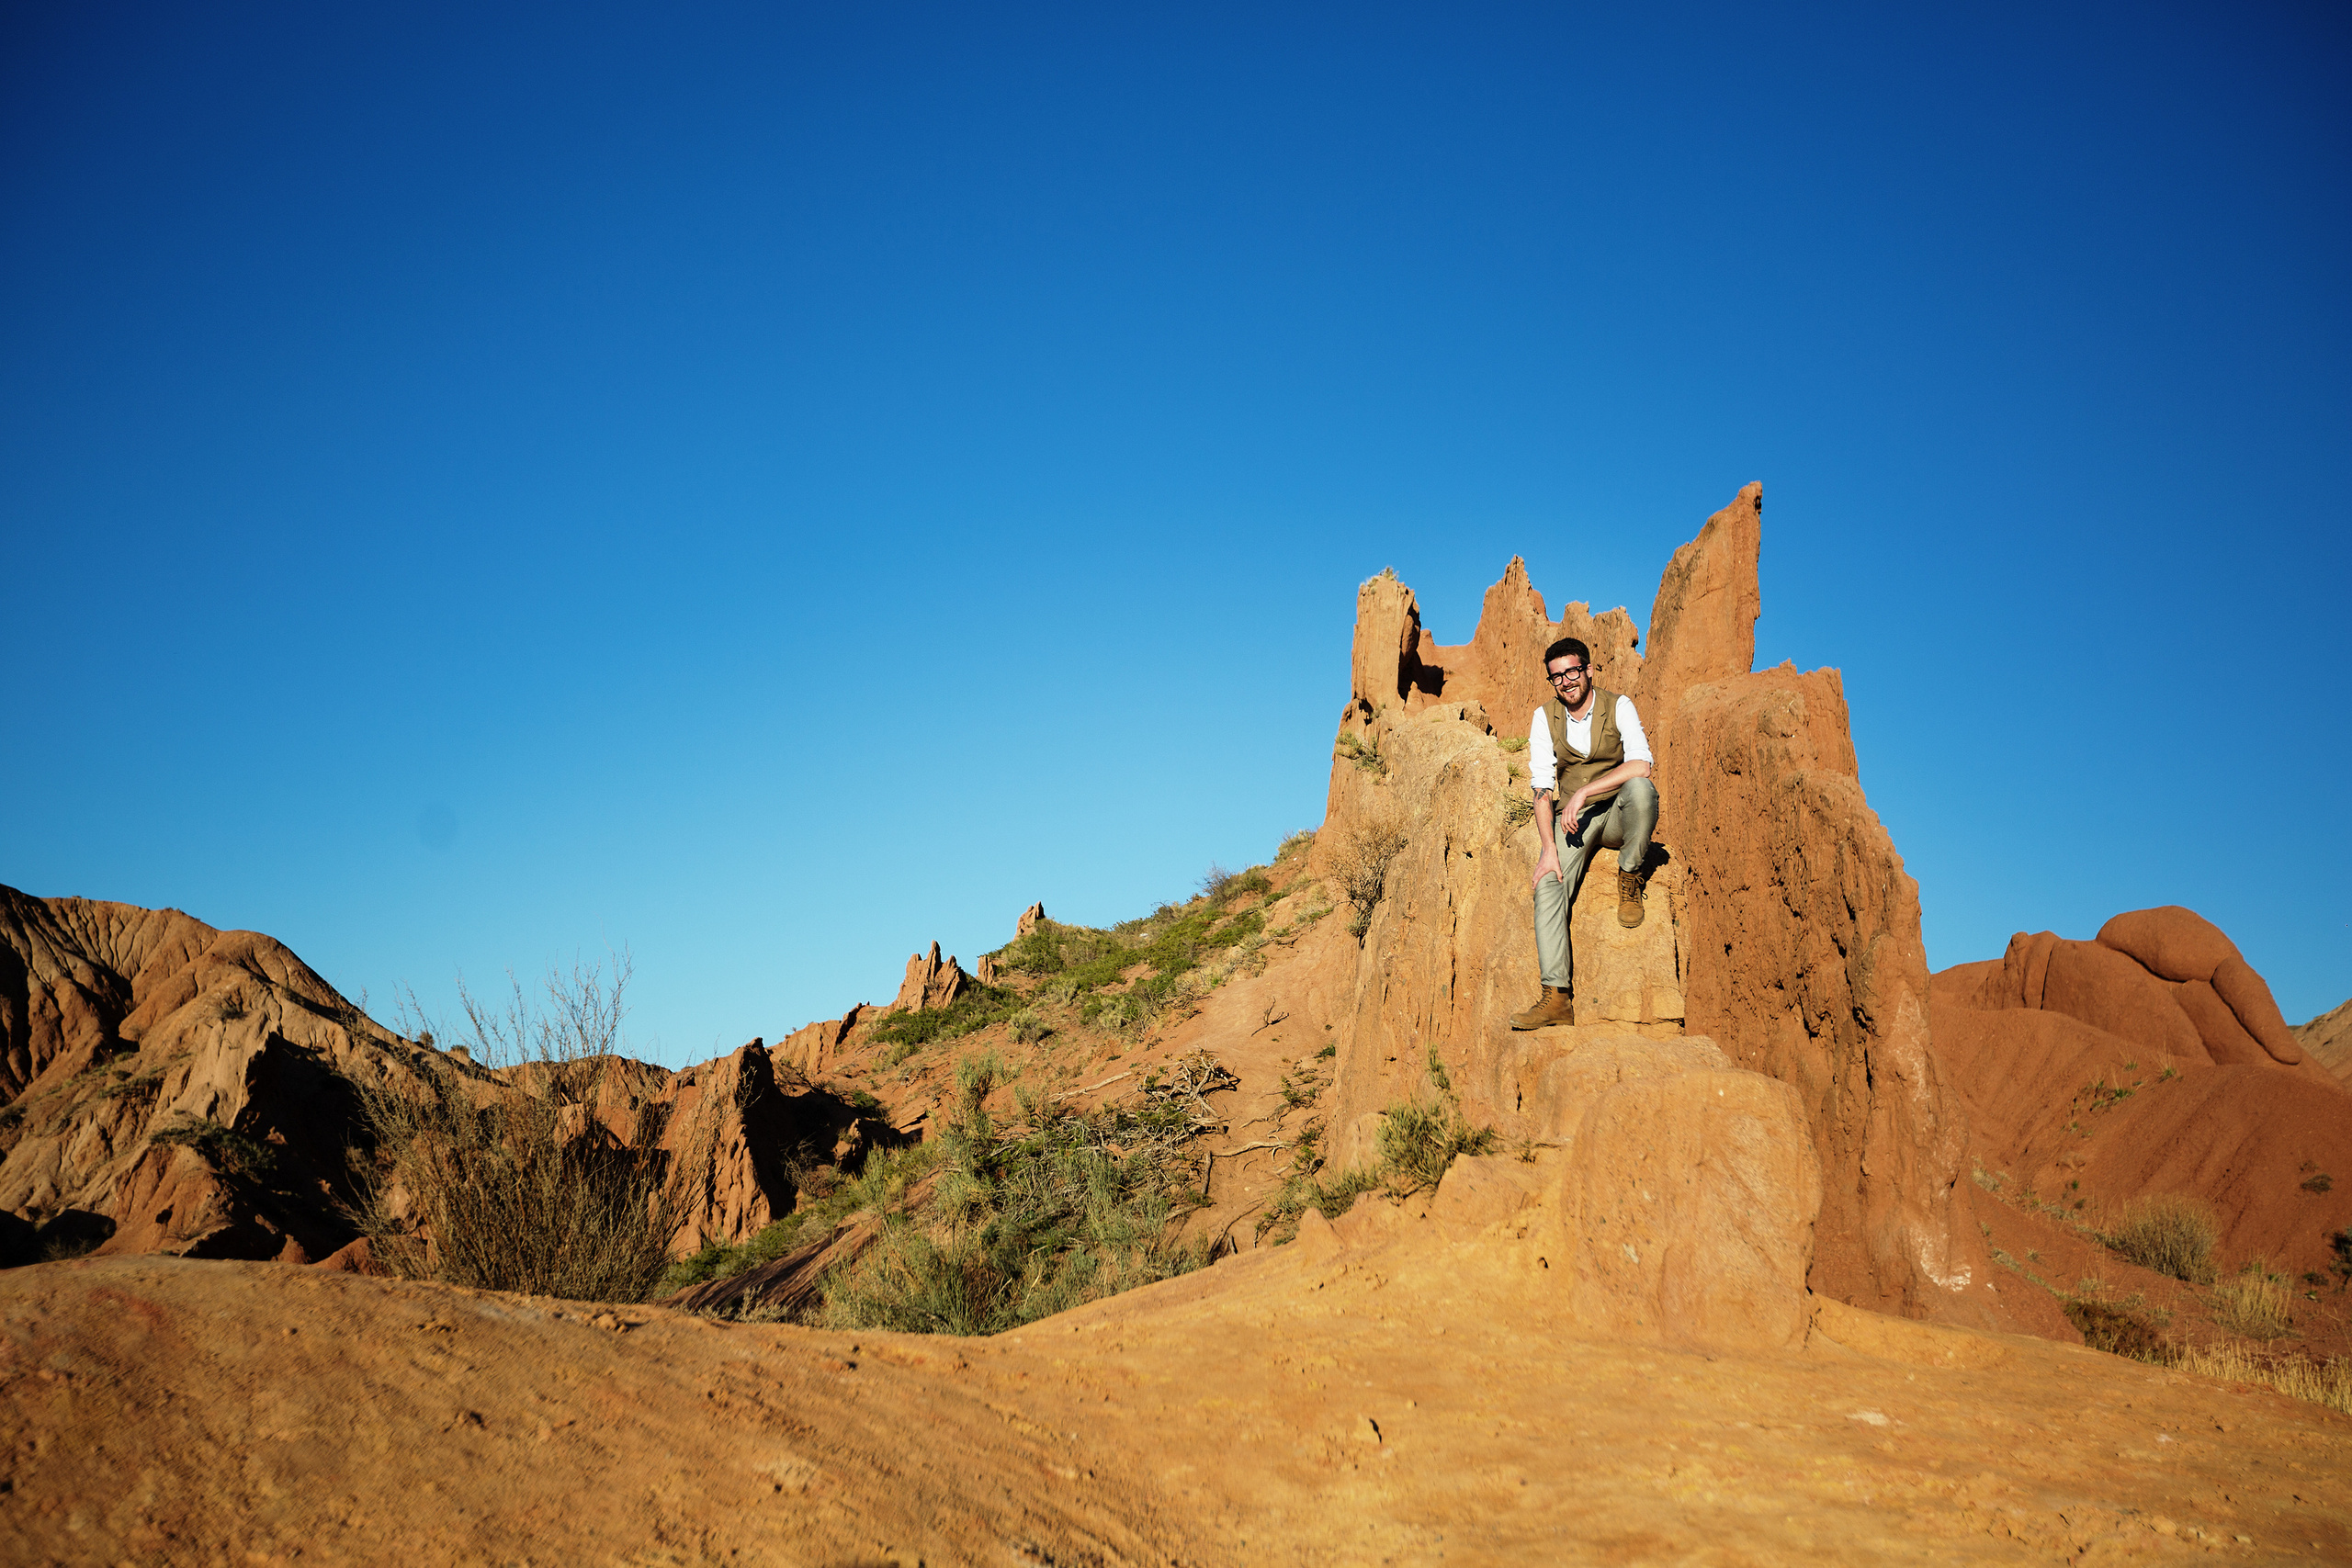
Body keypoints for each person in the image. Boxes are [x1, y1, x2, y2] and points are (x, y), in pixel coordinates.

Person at [1509, 637, 1659, 1031]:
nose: (1566, 682)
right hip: (1575, 823)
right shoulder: (1545, 717)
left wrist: (1584, 792)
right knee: (1548, 884)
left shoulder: (1618, 706)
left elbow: (1641, 764)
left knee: (1642, 792)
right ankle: (1557, 998)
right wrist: (1548, 849)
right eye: (1557, 676)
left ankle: (1630, 871)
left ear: (1588, 670)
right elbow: (1542, 788)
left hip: (1618, 813)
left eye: (1572, 671)